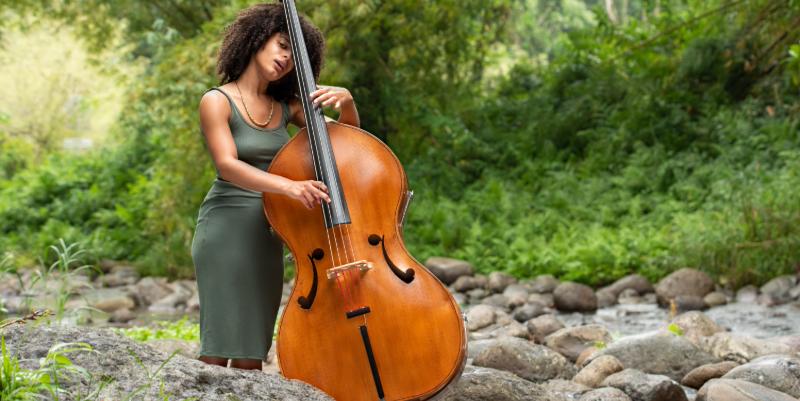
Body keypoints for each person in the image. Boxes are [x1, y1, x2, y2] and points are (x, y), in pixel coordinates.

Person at [191, 2, 359, 371]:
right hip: (225, 227)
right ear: (258, 39)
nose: (286, 58)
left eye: (292, 54)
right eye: (282, 45)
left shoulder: (288, 107)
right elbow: (227, 165)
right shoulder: (216, 101)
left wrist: (347, 104)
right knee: (218, 346)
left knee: (253, 350)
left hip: (270, 231)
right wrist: (289, 187)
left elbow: (343, 147)